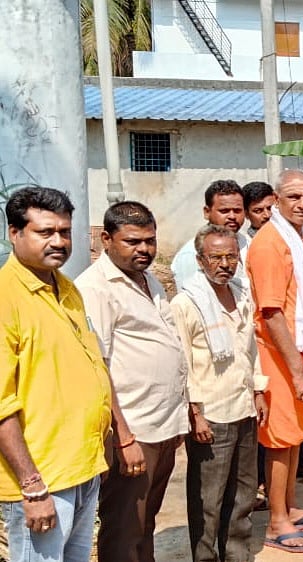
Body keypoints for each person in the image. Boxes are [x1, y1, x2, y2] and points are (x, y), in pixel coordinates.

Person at [0, 187, 112, 562]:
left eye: (64, 232)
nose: (59, 242)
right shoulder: (6, 299)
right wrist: (32, 488)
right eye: (45, 232)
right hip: (41, 481)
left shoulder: (66, 288)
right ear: (14, 233)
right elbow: (2, 407)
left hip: (81, 468)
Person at [76, 201, 190, 562]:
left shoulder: (148, 278)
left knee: (145, 522)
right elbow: (99, 367)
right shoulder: (95, 288)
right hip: (134, 430)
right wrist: (124, 438)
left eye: (150, 241)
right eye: (133, 241)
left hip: (163, 424)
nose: (144, 249)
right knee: (124, 526)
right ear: (106, 239)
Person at [247, 170, 303, 554]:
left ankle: (290, 506)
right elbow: (270, 313)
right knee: (281, 439)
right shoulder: (271, 244)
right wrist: (297, 371)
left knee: (297, 435)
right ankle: (276, 521)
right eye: (293, 197)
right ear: (277, 200)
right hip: (281, 357)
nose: (302, 204)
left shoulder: (298, 238)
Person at [171, 224, 270, 562]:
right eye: (216, 257)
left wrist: (258, 391)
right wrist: (195, 413)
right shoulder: (186, 303)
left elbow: (251, 349)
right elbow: (183, 362)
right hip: (211, 414)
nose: (224, 264)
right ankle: (205, 557)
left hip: (243, 407)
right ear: (200, 260)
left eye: (231, 256)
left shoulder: (242, 293)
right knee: (207, 500)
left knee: (243, 494)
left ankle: (237, 555)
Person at [171, 180, 250, 292]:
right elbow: (194, 300)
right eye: (224, 211)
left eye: (237, 211)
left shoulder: (248, 243)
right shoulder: (190, 254)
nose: (232, 216)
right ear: (207, 212)